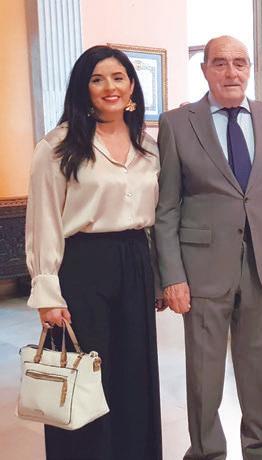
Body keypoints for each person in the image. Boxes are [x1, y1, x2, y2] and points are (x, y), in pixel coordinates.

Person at [154, 35, 262, 460]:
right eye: (220, 63)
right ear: (205, 70)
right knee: (204, 373)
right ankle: (205, 452)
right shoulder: (178, 123)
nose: (231, 72)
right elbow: (166, 208)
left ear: (249, 68)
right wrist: (172, 275)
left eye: (240, 62)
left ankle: (259, 450)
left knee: (257, 368)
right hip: (201, 269)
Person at [25, 45, 162, 459]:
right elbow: (43, 221)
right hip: (83, 266)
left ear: (132, 86)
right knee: (84, 375)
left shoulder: (147, 145)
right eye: (97, 79)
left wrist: (157, 277)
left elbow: (155, 219)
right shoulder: (58, 146)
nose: (109, 87)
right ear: (83, 89)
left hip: (135, 261)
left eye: (118, 77)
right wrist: (47, 293)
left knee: (133, 373)